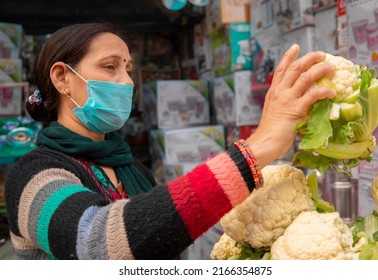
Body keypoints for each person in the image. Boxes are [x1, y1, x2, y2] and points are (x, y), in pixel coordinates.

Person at [4, 22, 336, 260]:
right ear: (62, 77)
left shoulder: (131, 166)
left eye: (128, 69)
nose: (126, 81)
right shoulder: (32, 176)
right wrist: (256, 150)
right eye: (110, 67)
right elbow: (98, 244)